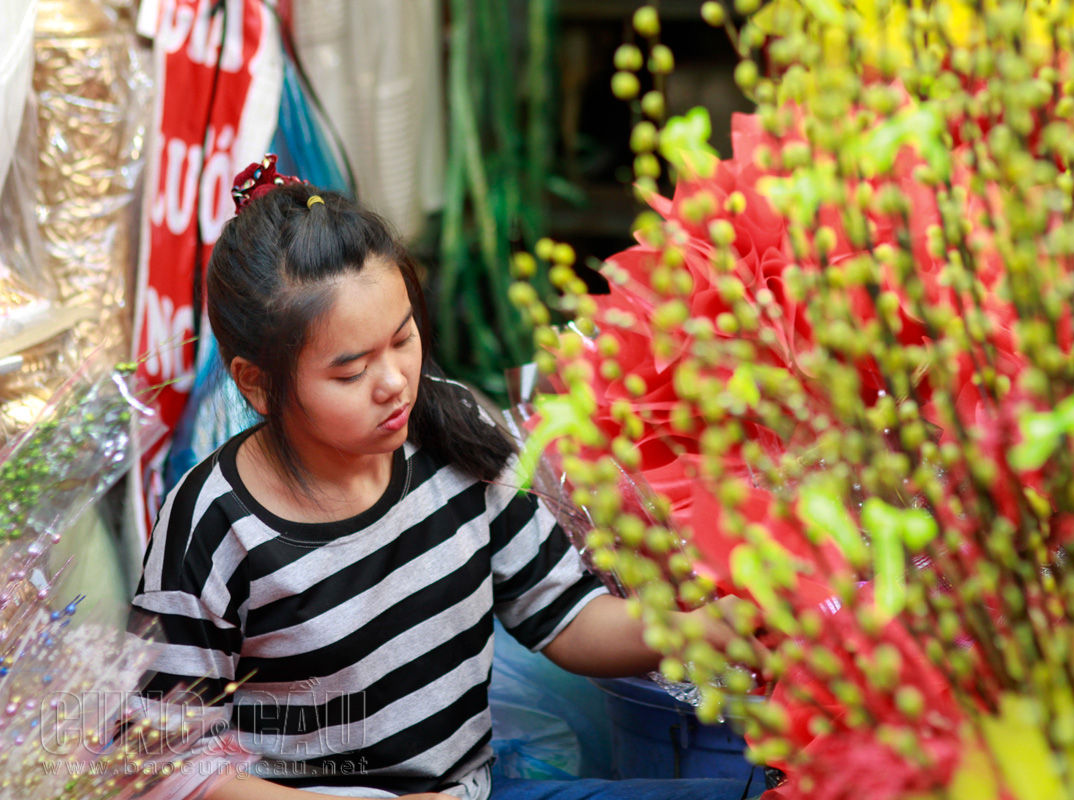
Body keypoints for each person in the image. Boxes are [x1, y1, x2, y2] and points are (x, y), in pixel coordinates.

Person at [130, 156, 756, 800]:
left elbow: (562, 614)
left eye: (403, 339)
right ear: (257, 384)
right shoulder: (213, 522)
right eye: (351, 372)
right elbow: (159, 760)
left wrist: (703, 629)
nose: (395, 381)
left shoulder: (449, 428)